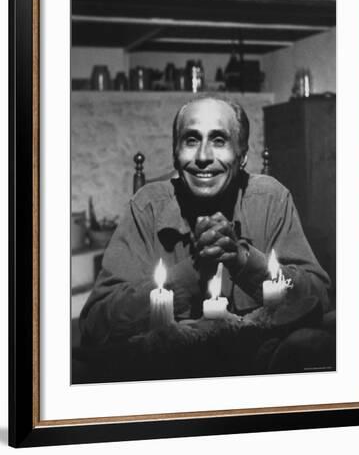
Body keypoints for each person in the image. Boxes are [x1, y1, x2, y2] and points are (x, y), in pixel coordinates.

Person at [79, 97, 331, 346]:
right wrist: (189, 275)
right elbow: (95, 322)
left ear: (242, 156)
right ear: (175, 154)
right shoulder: (148, 208)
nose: (202, 156)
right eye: (191, 140)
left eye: (219, 140)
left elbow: (319, 297)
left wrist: (243, 260)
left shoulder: (270, 200)